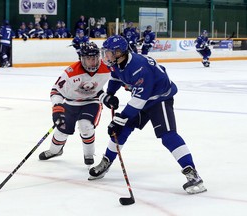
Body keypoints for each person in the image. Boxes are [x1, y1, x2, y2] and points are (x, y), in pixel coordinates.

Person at [88, 35, 207, 195]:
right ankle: (106, 161)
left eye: (109, 53)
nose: (106, 56)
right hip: (143, 98)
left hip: (160, 98)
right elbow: (117, 77)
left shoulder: (139, 67)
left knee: (168, 135)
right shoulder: (117, 63)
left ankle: (193, 174)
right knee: (121, 131)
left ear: (119, 53)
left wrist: (120, 118)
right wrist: (109, 94)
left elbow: (139, 99)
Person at [38, 42, 113, 165]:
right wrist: (57, 108)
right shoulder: (71, 72)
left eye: (94, 58)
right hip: (71, 102)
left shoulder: (107, 68)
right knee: (61, 129)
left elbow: (121, 76)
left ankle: (88, 154)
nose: (92, 62)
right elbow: (56, 91)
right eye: (88, 58)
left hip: (92, 102)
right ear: (81, 59)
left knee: (86, 126)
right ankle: (54, 151)